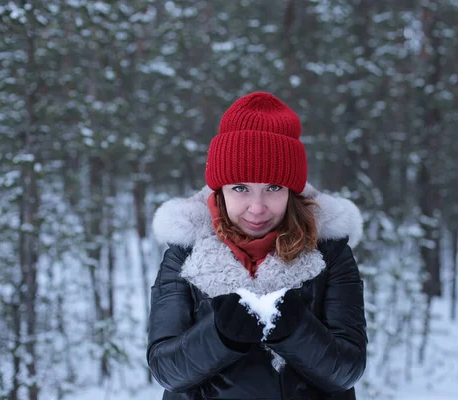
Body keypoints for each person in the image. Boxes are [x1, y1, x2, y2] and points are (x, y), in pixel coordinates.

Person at [147, 92, 367, 399]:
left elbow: (348, 369)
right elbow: (165, 369)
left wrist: (297, 331)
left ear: (292, 191)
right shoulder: (186, 250)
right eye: (240, 188)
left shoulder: (329, 250)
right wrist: (219, 336)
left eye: (273, 188)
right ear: (220, 189)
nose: (257, 207)